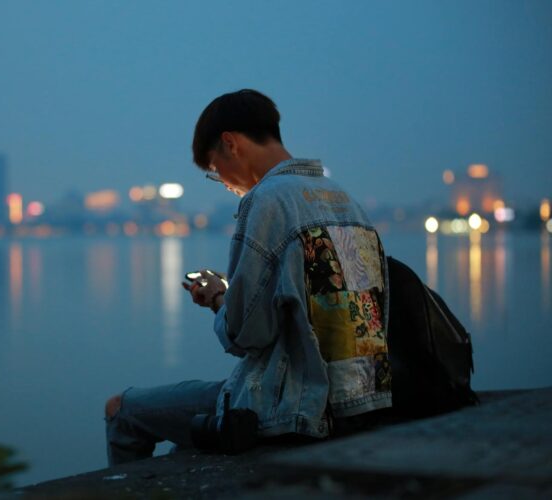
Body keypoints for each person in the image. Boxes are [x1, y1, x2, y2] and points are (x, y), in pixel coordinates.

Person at [105, 89, 392, 465]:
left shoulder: (266, 201)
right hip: (363, 400)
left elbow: (245, 335)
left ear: (230, 143)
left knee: (121, 410)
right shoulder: (345, 200)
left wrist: (219, 298)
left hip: (296, 407)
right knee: (189, 443)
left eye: (213, 168)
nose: (221, 181)